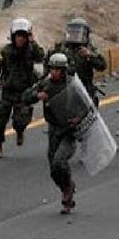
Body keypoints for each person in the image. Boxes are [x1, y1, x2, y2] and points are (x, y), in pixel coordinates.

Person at [23, 53, 79, 212]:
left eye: (58, 69)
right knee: (54, 170)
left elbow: (86, 107)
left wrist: (77, 119)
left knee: (59, 161)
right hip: (54, 129)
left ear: (64, 70)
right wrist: (36, 95)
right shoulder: (45, 84)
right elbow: (25, 96)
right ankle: (66, 187)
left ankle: (67, 194)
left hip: (69, 131)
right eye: (52, 68)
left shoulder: (72, 85)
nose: (54, 72)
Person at [0, 18, 44, 158]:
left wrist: (33, 42)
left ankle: (19, 131)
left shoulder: (32, 50)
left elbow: (41, 57)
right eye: (18, 36)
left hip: (24, 92)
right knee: (0, 120)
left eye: (23, 36)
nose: (20, 39)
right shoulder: (6, 51)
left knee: (20, 121)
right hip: (8, 91)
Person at [47, 18, 108, 106]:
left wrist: (90, 56)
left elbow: (102, 65)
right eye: (72, 32)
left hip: (84, 88)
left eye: (78, 32)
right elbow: (48, 62)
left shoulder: (89, 48)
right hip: (65, 89)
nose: (75, 35)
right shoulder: (61, 47)